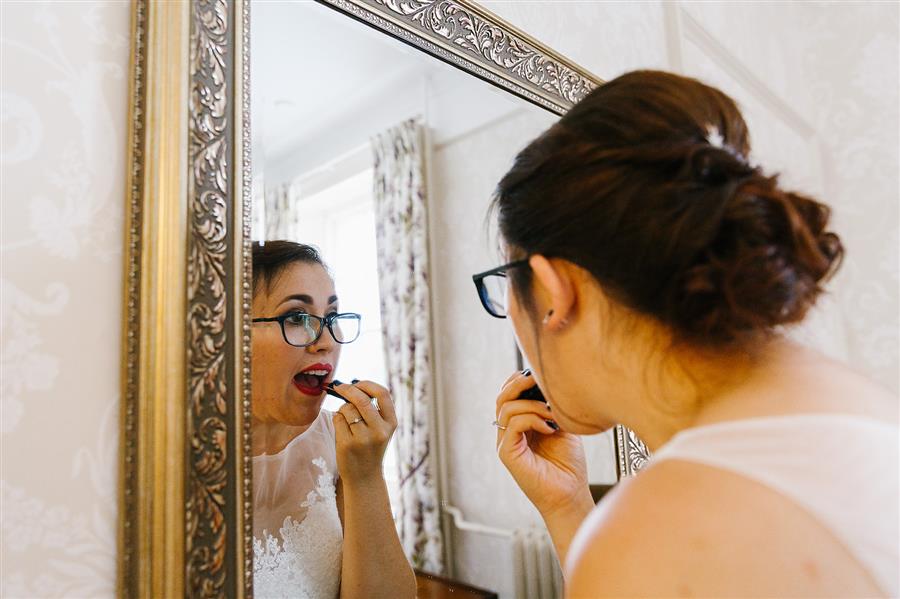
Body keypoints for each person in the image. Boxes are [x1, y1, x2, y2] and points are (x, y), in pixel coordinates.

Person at [476, 70, 898, 598]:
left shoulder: (653, 542)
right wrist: (568, 508)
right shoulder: (848, 399)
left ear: (552, 289)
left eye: (504, 284)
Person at [250, 240, 415, 599]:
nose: (326, 342)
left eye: (332, 318)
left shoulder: (339, 442)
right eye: (296, 317)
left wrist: (366, 475)